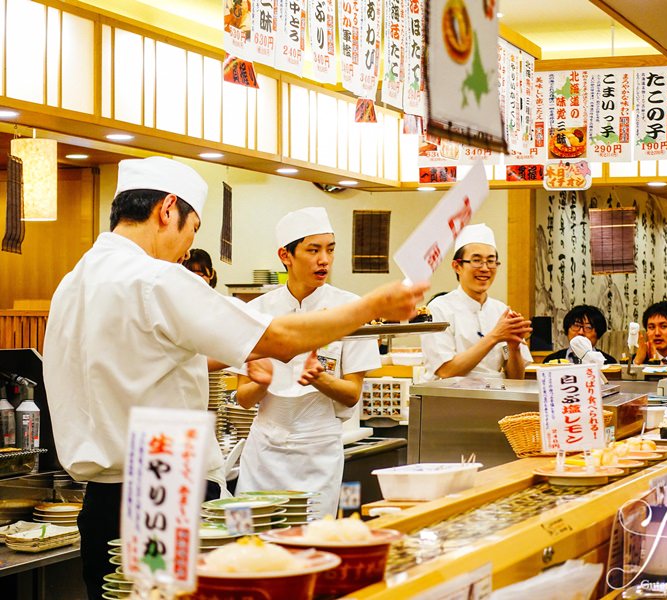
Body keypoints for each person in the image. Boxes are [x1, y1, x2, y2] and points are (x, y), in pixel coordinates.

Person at [41, 157, 427, 600]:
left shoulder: (74, 280)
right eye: (192, 229)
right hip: (160, 485)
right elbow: (280, 339)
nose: (188, 248)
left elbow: (136, 361)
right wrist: (372, 304)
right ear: (168, 210)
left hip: (99, 501)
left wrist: (225, 358)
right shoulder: (157, 278)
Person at [234, 207, 380, 516]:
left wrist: (319, 378)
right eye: (313, 250)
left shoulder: (351, 309)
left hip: (319, 451)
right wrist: (261, 383)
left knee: (310, 545)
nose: (324, 259)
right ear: (285, 256)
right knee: (247, 539)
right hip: (263, 451)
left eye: (330, 249)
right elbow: (245, 399)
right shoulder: (256, 312)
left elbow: (352, 394)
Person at [421, 223, 533, 380]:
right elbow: (446, 370)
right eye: (476, 260)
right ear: (457, 266)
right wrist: (495, 336)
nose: (485, 268)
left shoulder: (501, 311)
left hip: (493, 399)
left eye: (491, 261)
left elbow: (516, 378)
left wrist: (513, 348)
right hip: (450, 400)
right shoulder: (438, 308)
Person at [543, 305, 618, 364]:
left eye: (588, 327)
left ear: (598, 333)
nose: (581, 332)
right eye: (576, 326)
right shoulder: (551, 360)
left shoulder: (608, 362)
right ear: (567, 329)